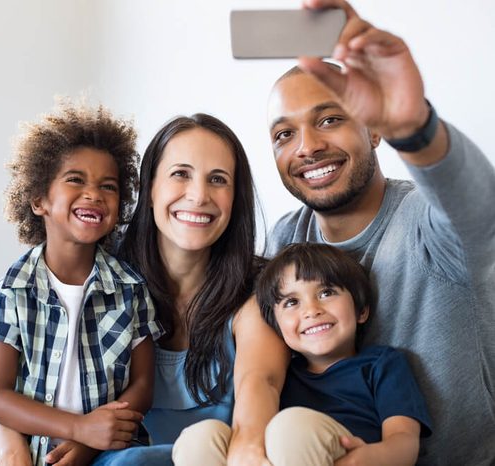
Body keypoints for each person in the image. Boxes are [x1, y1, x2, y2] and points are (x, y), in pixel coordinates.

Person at [266, 0, 495, 464]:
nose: (307, 147)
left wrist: (413, 128)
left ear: (372, 131)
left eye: (330, 119)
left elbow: (479, 212)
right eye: (284, 134)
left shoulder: (423, 220)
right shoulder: (285, 241)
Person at [0, 101, 164, 466]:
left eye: (108, 186)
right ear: (39, 199)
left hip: (108, 449)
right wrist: (79, 428)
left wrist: (92, 440)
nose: (94, 193)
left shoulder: (131, 289)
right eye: (76, 180)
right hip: (31, 453)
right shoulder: (10, 292)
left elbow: (142, 387)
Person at [97, 113, 288, 466]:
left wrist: (249, 448)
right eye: (180, 174)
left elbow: (261, 382)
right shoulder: (101, 275)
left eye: (218, 179)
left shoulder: (256, 292)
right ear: (149, 188)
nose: (199, 196)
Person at [257, 243, 432, 465]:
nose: (311, 310)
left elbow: (404, 440)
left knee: (288, 427)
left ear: (361, 310)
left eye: (326, 292)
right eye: (292, 302)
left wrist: (371, 458)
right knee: (209, 434)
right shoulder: (280, 378)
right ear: (276, 327)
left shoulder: (382, 364)